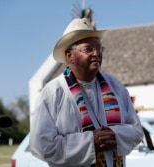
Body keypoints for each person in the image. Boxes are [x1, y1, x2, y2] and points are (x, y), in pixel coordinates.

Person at [30, 18, 143, 167]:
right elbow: (42, 146)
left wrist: (116, 135)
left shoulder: (115, 86)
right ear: (70, 56)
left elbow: (136, 131)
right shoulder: (53, 93)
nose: (96, 53)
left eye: (99, 48)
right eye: (88, 49)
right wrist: (90, 141)